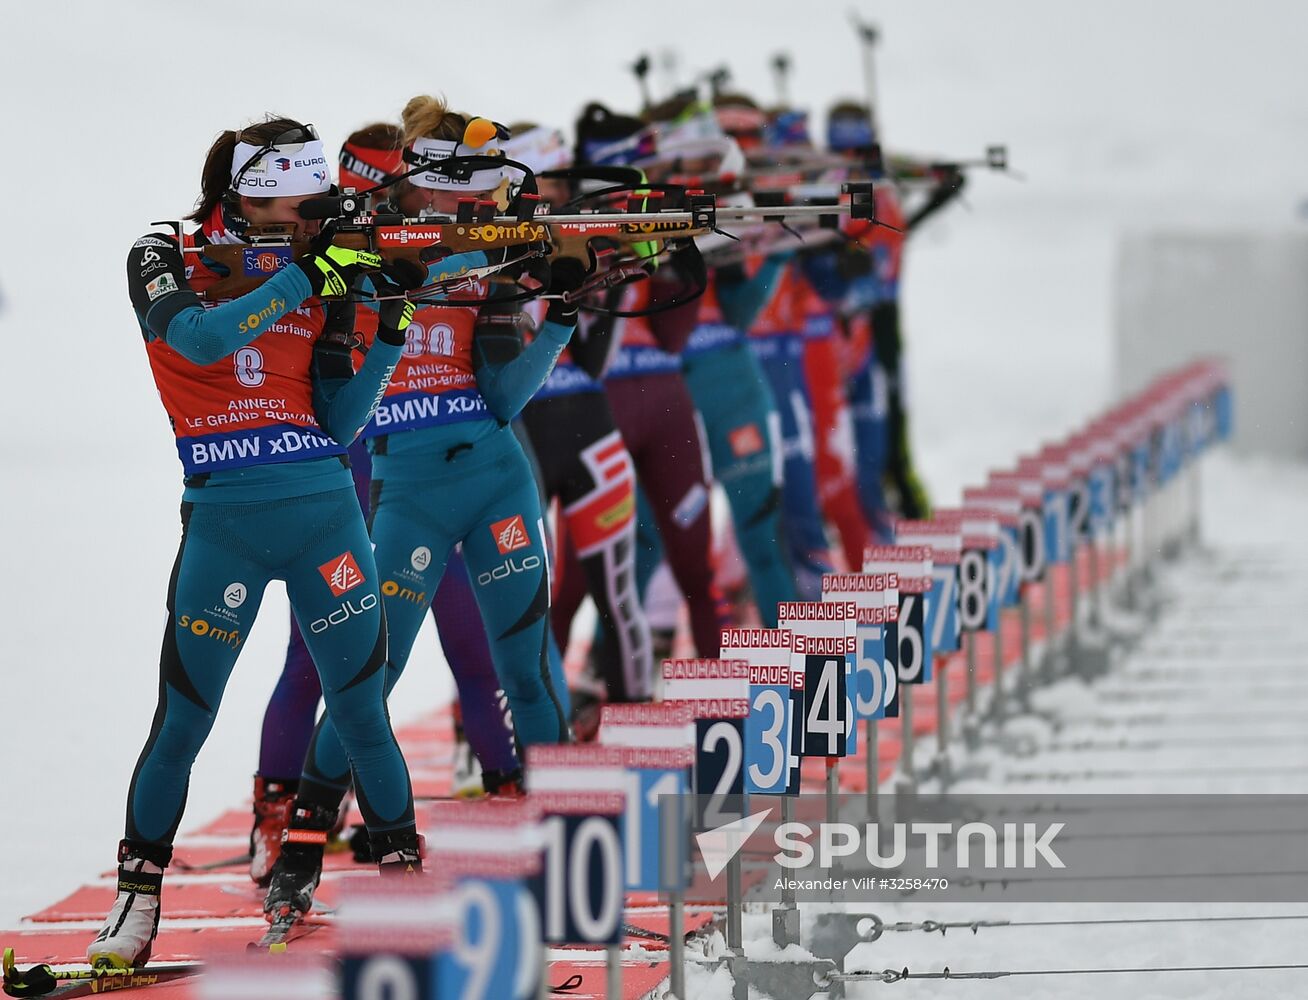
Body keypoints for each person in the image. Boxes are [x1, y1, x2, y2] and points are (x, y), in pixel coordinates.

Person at [94, 116, 420, 969]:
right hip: (223, 521)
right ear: (248, 196)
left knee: (361, 717)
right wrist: (309, 272)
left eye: (321, 208)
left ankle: (405, 894)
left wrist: (388, 325)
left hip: (323, 515)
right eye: (302, 206)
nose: (316, 219)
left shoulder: (327, 264)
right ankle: (135, 901)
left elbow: (340, 421)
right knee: (182, 724)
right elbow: (196, 338)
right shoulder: (161, 248)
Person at [263, 97, 581, 921]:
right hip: (403, 491)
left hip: (494, 475)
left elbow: (505, 396)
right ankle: (301, 848)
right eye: (458, 190)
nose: (468, 207)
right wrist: (423, 267)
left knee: (524, 666)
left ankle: (566, 851)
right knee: (371, 679)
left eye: (477, 198)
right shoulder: (361, 230)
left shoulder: (486, 245)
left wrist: (559, 316)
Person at [564, 102, 727, 665]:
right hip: (593, 411)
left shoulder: (651, 210)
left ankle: (720, 711)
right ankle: (537, 734)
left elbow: (674, 333)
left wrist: (678, 257)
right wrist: (613, 266)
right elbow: (583, 347)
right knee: (572, 587)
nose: (654, 178)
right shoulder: (566, 217)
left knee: (694, 568)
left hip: (663, 403)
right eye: (643, 167)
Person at [504, 124, 654, 735]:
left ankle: (642, 737)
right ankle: (501, 740)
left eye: (565, 183)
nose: (558, 197)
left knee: (617, 598)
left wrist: (602, 269)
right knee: (515, 609)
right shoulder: (486, 252)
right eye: (548, 184)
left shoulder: (584, 235)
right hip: (520, 447)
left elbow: (595, 360)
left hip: (592, 438)